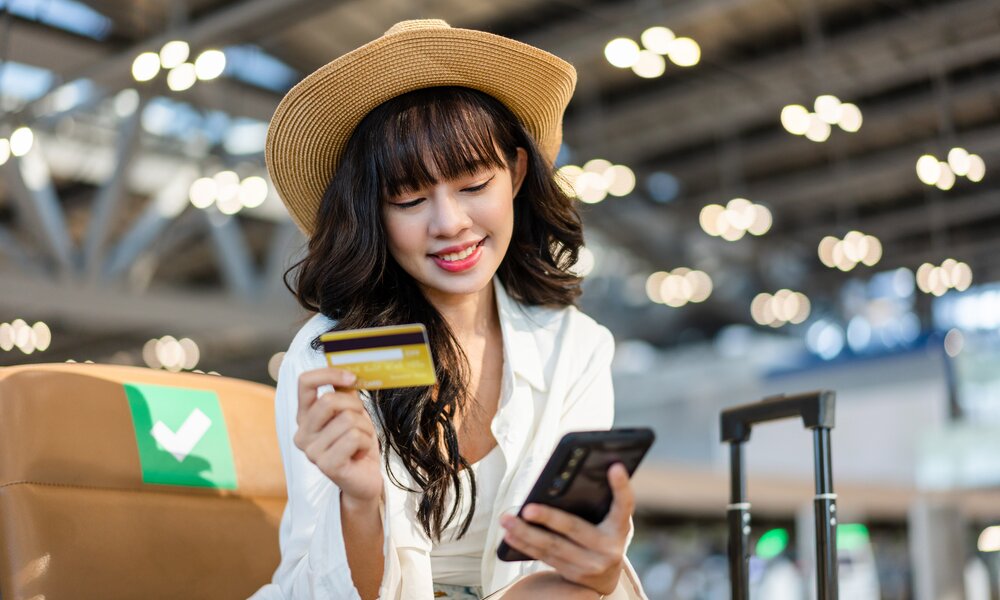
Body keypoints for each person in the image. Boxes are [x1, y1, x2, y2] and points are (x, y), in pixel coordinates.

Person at [251, 19, 648, 600]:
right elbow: (327, 589)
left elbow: (573, 578)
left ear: (513, 173)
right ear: (373, 214)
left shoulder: (575, 346)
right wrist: (360, 501)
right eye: (409, 199)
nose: (449, 224)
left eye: (472, 184)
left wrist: (602, 564)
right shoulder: (325, 357)